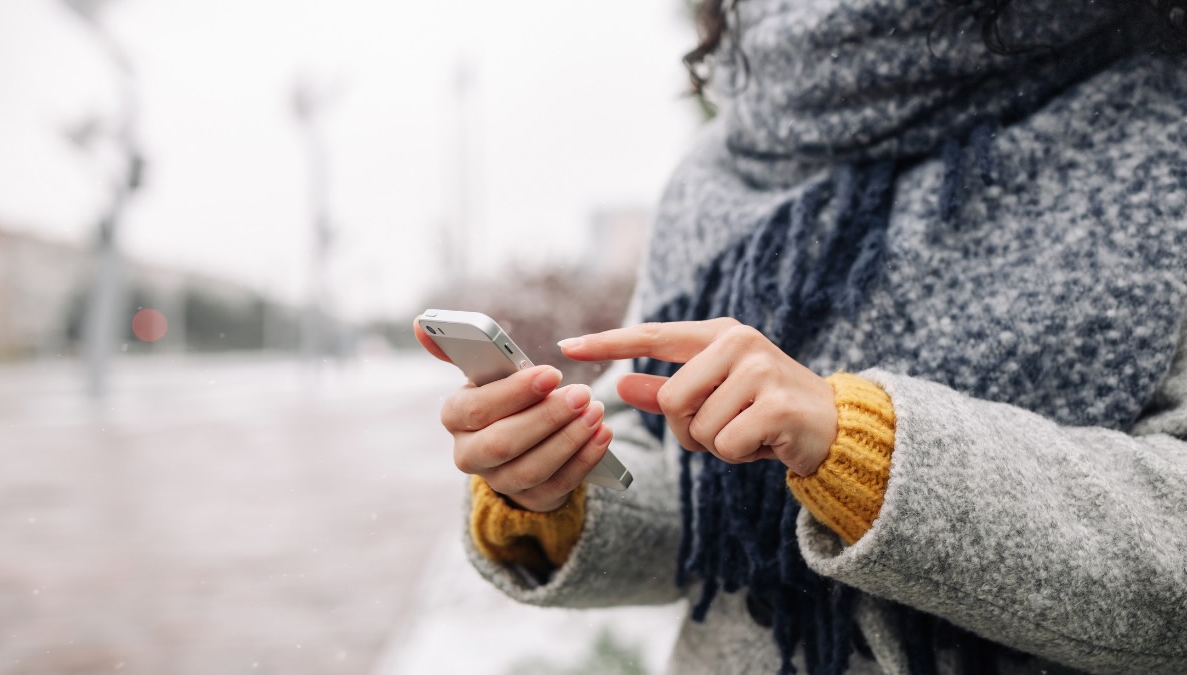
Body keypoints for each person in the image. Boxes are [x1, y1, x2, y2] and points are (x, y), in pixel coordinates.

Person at [414, 0, 1187, 672]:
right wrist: (552, 490)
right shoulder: (719, 166)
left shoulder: (1159, 123)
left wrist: (862, 446)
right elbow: (702, 512)